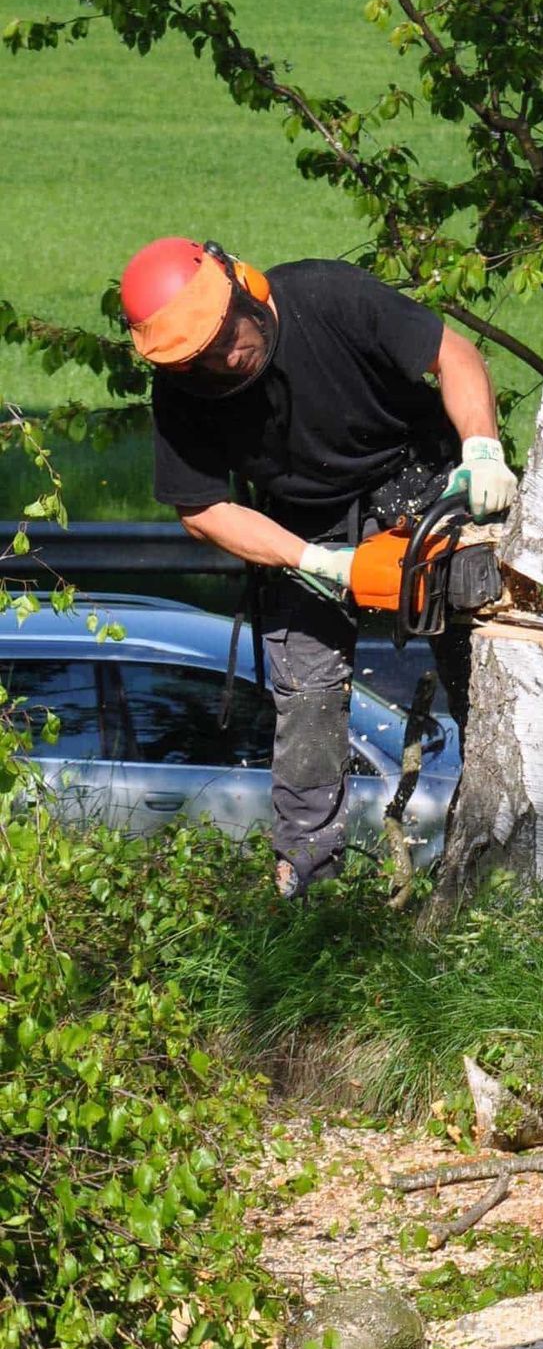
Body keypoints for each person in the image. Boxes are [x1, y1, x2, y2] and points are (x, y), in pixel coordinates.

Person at [119, 238, 518, 898]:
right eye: (197, 361)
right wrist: (310, 560)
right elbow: (202, 508)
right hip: (301, 520)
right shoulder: (183, 392)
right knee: (304, 690)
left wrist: (480, 449)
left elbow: (453, 353)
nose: (219, 363)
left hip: (414, 475)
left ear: (243, 288)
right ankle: (311, 883)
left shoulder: (327, 298)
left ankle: (505, 845)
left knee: (484, 648)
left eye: (222, 340)